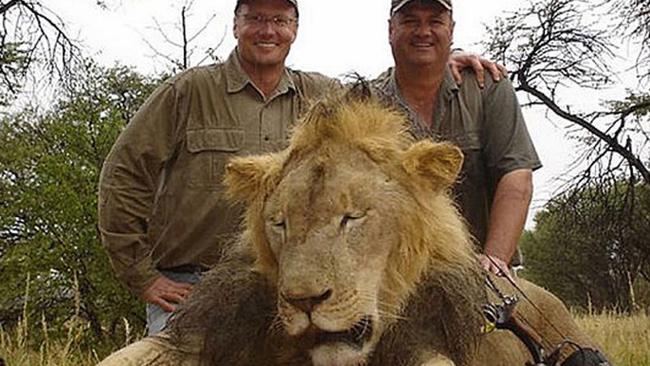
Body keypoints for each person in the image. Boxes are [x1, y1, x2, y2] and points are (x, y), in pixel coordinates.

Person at [98, 0, 502, 336]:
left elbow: (382, 119)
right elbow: (124, 175)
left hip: (275, 283)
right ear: (236, 24)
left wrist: (441, 62)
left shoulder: (322, 95)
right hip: (191, 284)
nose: (267, 30)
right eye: (255, 18)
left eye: (279, 20)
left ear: (294, 28)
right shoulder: (187, 91)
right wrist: (142, 275)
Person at [374, 0, 542, 278]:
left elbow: (517, 177)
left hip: (481, 269)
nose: (423, 31)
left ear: (451, 30)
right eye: (411, 21)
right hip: (398, 276)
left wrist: (494, 261)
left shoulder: (488, 86)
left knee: (546, 317)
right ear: (390, 30)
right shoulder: (366, 100)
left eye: (435, 21)